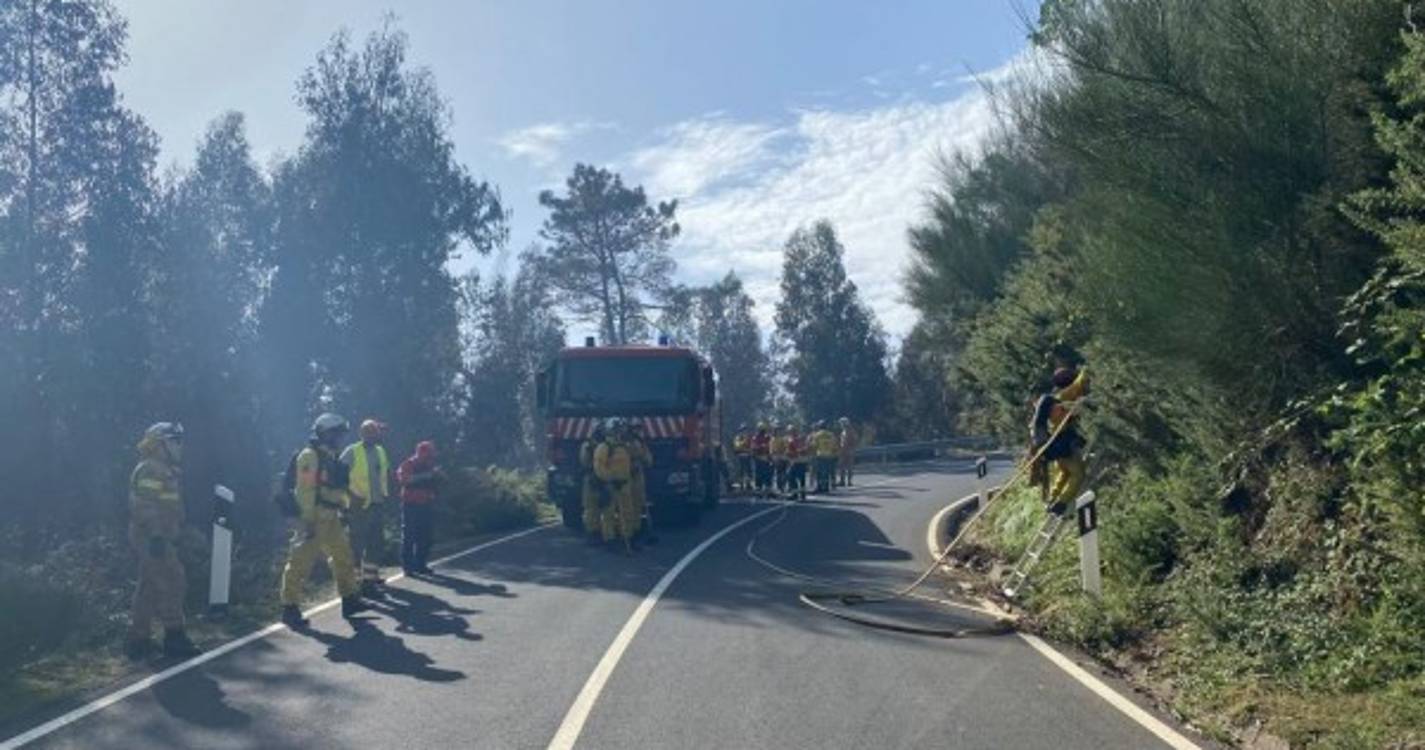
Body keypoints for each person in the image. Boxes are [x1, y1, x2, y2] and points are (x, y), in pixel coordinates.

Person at [280, 413, 367, 628]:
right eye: (337, 434)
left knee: (343, 556)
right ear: (325, 433)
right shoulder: (310, 456)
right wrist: (306, 520)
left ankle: (349, 600)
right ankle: (289, 608)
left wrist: (345, 507)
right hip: (314, 518)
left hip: (331, 517)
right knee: (300, 562)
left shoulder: (330, 456)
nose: (340, 439)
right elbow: (305, 490)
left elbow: (335, 488)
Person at [125, 422, 200, 659]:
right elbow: (144, 506)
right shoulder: (150, 469)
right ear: (159, 445)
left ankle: (138, 640)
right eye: (174, 441)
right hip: (151, 536)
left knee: (148, 586)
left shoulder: (164, 469)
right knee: (172, 580)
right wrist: (157, 535)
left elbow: (169, 506)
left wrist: (177, 530)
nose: (180, 446)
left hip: (160, 535)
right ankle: (174, 636)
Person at [1031, 365, 1090, 516]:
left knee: (1064, 473)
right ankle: (1061, 503)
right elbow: (1080, 382)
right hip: (1061, 444)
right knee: (1078, 474)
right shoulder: (1063, 397)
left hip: (1053, 445)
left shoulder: (1052, 400)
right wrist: (1087, 369)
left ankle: (1052, 500)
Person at [341, 419, 391, 598]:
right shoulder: (352, 451)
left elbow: (383, 475)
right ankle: (354, 583)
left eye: (375, 431)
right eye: (369, 432)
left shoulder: (380, 451)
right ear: (362, 434)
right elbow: (339, 476)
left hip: (377, 504)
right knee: (356, 545)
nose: (373, 434)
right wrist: (350, 496)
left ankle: (369, 581)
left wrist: (384, 496)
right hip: (358, 506)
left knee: (375, 544)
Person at [397, 441, 444, 575]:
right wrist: (425, 476)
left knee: (426, 535)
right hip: (410, 504)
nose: (430, 457)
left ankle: (420, 564)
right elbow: (404, 480)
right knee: (409, 535)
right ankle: (408, 566)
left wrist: (438, 476)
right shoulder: (408, 464)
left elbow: (436, 482)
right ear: (421, 453)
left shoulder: (430, 465)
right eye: (428, 454)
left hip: (426, 503)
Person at [594, 419, 640, 552]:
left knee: (627, 512)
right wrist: (610, 479)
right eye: (617, 429)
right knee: (609, 512)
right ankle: (610, 539)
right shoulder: (604, 447)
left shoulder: (624, 446)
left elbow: (633, 458)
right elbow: (599, 467)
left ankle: (627, 537)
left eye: (621, 429)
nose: (620, 432)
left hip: (625, 484)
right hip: (610, 485)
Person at [627, 421, 658, 545]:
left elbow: (648, 460)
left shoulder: (638, 442)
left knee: (639, 505)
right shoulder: (634, 443)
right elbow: (646, 459)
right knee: (633, 505)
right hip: (631, 476)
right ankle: (632, 532)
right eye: (636, 429)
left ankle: (637, 531)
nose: (639, 431)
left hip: (637, 477)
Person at [579, 422, 608, 542]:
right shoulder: (593, 445)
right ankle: (595, 533)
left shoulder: (606, 446)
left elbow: (583, 461)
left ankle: (598, 533)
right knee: (592, 507)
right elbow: (584, 461)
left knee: (597, 507)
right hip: (595, 478)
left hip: (597, 478)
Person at [810, 421, 840, 494]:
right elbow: (835, 446)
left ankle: (820, 486)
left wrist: (813, 455)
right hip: (829, 456)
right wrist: (835, 454)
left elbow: (814, 446)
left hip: (820, 455)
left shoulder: (817, 435)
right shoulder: (831, 435)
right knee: (827, 472)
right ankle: (826, 487)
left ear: (820, 426)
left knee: (819, 472)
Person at [751, 421, 773, 499]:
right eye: (761, 430)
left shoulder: (768, 438)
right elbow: (753, 448)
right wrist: (760, 448)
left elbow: (771, 448)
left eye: (763, 430)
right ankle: (759, 492)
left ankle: (767, 492)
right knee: (759, 476)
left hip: (765, 459)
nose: (762, 431)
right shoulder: (755, 438)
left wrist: (770, 458)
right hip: (759, 459)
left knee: (767, 476)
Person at [787, 424, 809, 501]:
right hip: (803, 460)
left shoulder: (792, 440)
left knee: (791, 476)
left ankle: (795, 493)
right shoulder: (801, 439)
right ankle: (802, 494)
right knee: (801, 478)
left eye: (790, 431)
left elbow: (791, 452)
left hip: (797, 461)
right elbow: (805, 449)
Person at [836, 417, 858, 487]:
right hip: (846, 450)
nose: (841, 425)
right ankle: (843, 481)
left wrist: (847, 449)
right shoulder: (844, 431)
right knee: (843, 467)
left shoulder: (850, 431)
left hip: (847, 451)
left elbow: (852, 441)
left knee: (848, 467)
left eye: (841, 423)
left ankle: (848, 481)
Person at [770, 423, 790, 497]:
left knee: (783, 473)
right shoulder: (772, 439)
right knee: (778, 473)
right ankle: (779, 487)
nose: (778, 431)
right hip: (776, 458)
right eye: (777, 430)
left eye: (779, 430)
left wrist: (784, 453)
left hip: (783, 457)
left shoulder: (784, 439)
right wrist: (772, 456)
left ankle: (782, 486)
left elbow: (786, 448)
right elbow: (771, 449)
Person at [732, 425, 753, 493]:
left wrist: (748, 449)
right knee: (741, 471)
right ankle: (741, 485)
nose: (744, 431)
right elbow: (737, 447)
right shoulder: (738, 438)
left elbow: (752, 447)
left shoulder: (749, 438)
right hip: (740, 457)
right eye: (743, 430)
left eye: (745, 430)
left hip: (747, 456)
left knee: (749, 471)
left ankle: (748, 484)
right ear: (740, 431)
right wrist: (744, 444)